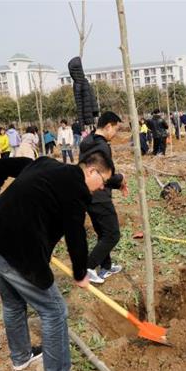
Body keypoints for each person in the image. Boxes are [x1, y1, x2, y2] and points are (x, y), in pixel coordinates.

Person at [0, 148, 114, 371]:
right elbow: (76, 237)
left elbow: (3, 166)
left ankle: (21, 356)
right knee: (55, 310)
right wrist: (80, 274)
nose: (102, 188)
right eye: (103, 182)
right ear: (91, 171)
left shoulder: (45, 164)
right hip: (14, 251)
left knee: (13, 304)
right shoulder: (76, 190)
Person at [79, 112, 128, 284]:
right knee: (113, 234)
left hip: (89, 195)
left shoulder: (87, 141)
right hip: (99, 195)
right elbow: (105, 174)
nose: (115, 133)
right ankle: (87, 267)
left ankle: (105, 267)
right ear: (108, 126)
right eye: (115, 129)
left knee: (102, 232)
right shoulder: (102, 147)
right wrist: (120, 179)